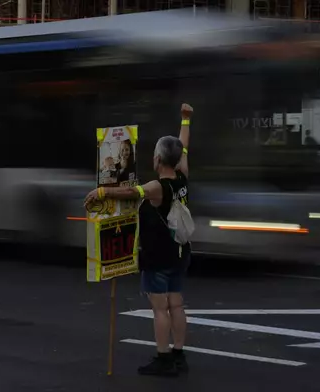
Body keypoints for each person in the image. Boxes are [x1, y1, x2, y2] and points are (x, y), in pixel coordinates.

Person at [84, 103, 193, 377]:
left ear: (157, 159)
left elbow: (131, 192)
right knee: (177, 303)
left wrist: (102, 191)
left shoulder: (157, 188)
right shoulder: (182, 178)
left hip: (157, 255)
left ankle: (163, 358)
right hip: (180, 252)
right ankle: (179, 354)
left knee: (160, 308)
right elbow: (183, 146)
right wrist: (185, 121)